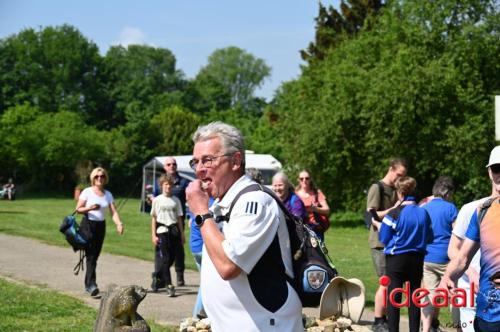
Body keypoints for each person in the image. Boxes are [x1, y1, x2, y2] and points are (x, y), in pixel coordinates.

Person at [186, 121, 303, 331]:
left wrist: (202, 213)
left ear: (236, 160)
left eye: (208, 160)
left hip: (264, 324)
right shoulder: (225, 203)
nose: (200, 170)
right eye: (196, 162)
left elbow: (228, 266)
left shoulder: (256, 201)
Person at [439, 146, 500, 332]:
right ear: (490, 172)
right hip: (487, 313)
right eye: (498, 169)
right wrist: (448, 276)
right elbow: (461, 256)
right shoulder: (480, 212)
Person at [372, 176, 432, 332]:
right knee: (414, 298)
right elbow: (429, 236)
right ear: (413, 191)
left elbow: (384, 238)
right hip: (417, 259)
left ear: (399, 192)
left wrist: (379, 226)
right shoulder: (424, 213)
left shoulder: (394, 213)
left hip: (396, 259)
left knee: (394, 298)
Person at [366, 157, 407, 332]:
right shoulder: (378, 187)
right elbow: (371, 216)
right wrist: (394, 208)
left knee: (393, 283)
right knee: (385, 282)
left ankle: (387, 318)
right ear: (391, 169)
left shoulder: (396, 189)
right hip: (380, 243)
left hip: (394, 242)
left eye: (403, 176)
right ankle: (377, 321)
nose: (400, 178)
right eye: (399, 174)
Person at [447, 184, 494, 332]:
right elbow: (453, 249)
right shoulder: (473, 209)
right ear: (489, 172)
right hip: (470, 291)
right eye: (496, 169)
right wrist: (471, 272)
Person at [75, 167, 124, 297]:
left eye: (102, 176)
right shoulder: (87, 192)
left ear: (105, 178)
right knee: (91, 255)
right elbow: (78, 209)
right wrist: (90, 208)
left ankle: (88, 284)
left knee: (94, 256)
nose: (99, 178)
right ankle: (91, 285)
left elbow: (113, 212)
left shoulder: (108, 194)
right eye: (97, 176)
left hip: (101, 226)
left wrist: (119, 223)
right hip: (88, 225)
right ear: (93, 178)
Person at [421, 176, 458, 332]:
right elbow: (458, 235)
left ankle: (426, 328)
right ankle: (459, 327)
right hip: (446, 260)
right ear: (448, 193)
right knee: (455, 296)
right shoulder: (451, 208)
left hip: (427, 258)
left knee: (428, 296)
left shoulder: (424, 208)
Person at [155, 156, 190, 286]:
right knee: (162, 250)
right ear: (165, 167)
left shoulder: (183, 182)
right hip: (162, 222)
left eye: (173, 164)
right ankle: (160, 276)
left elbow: (189, 199)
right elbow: (154, 197)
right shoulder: (159, 183)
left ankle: (179, 275)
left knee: (178, 250)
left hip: (177, 221)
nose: (171, 166)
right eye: (168, 164)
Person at [150, 174, 185, 297]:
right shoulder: (157, 200)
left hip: (173, 230)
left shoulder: (176, 200)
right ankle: (169, 285)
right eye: (166, 184)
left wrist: (182, 234)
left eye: (170, 184)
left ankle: (157, 275)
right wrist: (153, 235)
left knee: (172, 258)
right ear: (161, 186)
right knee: (165, 258)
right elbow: (154, 218)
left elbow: (179, 219)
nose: (168, 187)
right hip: (162, 231)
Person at [189, 196, 214, 318]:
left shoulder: (198, 202)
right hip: (203, 248)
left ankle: (200, 314)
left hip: (195, 246)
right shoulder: (212, 203)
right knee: (206, 282)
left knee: (205, 281)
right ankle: (197, 316)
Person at [295, 169, 330, 241]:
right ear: (298, 180)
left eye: (307, 178)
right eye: (301, 179)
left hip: (316, 229)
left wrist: (315, 208)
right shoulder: (295, 194)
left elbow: (327, 210)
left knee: (318, 251)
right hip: (299, 229)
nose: (304, 180)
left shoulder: (317, 193)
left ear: (310, 179)